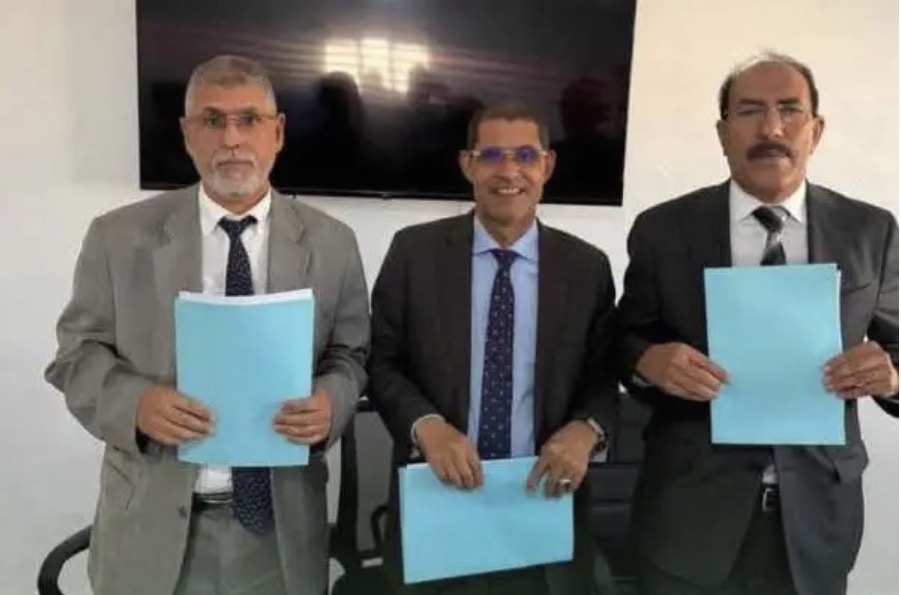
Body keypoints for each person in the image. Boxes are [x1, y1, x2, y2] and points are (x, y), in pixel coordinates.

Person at [44, 55, 369, 595]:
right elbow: (75, 356)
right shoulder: (117, 237)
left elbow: (351, 354)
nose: (232, 139)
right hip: (151, 532)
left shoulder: (333, 243)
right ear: (187, 134)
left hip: (281, 534)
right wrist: (136, 404)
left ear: (278, 132)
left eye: (249, 120)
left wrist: (331, 400)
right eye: (213, 120)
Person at [616, 52, 898, 595]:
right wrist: (648, 360)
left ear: (816, 130)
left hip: (817, 522)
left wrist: (891, 376)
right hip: (688, 519)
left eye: (790, 110)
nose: (772, 128)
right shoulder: (663, 230)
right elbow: (622, 338)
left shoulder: (871, 230)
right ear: (723, 134)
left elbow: (898, 348)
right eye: (750, 111)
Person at [368, 102, 619, 595]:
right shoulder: (414, 253)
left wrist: (586, 430)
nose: (509, 171)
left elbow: (603, 374)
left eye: (525, 155)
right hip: (439, 501)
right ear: (468, 164)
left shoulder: (586, 268)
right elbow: (381, 360)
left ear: (547, 164)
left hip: (542, 503)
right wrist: (426, 425)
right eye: (491, 156)